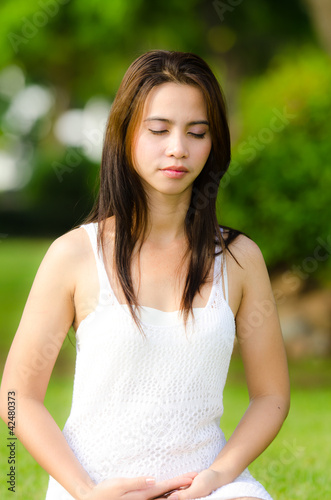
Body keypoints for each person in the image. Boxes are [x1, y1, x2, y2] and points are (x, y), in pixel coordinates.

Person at [0, 50, 290, 500]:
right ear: (125, 133)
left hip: (208, 489)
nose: (178, 148)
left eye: (197, 132)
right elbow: (17, 396)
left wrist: (217, 476)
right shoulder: (74, 255)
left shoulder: (239, 258)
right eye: (158, 130)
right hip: (96, 490)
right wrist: (85, 490)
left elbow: (271, 394)